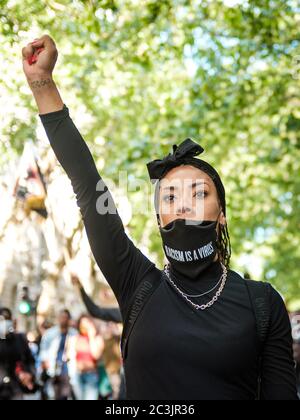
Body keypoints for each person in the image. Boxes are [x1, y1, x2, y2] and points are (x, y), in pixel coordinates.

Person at [22, 35, 298, 400]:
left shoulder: (263, 303)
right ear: (158, 217)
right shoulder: (136, 284)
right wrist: (42, 83)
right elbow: (89, 186)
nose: (183, 203)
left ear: (223, 216)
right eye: (169, 195)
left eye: (199, 193)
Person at [39, 309, 77, 400]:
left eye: (65, 317)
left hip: (67, 369)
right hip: (53, 369)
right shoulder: (50, 333)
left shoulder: (74, 334)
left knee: (64, 395)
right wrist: (45, 362)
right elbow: (43, 349)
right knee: (53, 394)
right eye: (61, 317)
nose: (63, 319)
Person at [0, 308, 36, 400]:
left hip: (16, 387)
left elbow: (29, 360)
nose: (5, 322)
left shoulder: (20, 339)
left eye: (7, 319)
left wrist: (29, 374)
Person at [67, 315, 104, 400]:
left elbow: (96, 355)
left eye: (87, 323)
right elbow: (70, 355)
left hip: (91, 376)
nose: (84, 326)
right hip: (77, 375)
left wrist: (91, 336)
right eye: (82, 323)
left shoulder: (97, 338)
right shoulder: (75, 338)